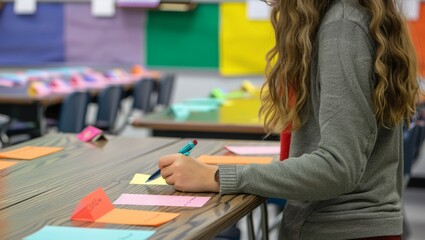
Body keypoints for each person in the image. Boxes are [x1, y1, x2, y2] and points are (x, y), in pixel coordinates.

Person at [158, 0, 418, 239]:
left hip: (341, 229)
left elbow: (338, 167)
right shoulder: (345, 19)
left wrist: (216, 176)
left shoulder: (341, 28)